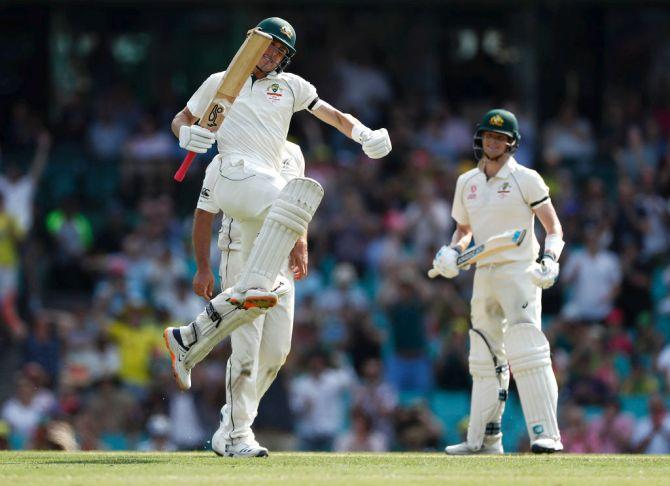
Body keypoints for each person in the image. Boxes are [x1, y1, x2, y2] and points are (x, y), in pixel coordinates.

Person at [164, 17, 391, 456]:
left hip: (273, 217)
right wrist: (184, 133)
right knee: (246, 343)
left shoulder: (290, 91)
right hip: (236, 185)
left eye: (276, 52)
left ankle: (204, 366)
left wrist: (364, 135)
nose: (269, 56)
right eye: (264, 47)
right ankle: (233, 435)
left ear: (284, 57)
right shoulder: (220, 81)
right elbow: (183, 119)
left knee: (274, 352)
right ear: (251, 44)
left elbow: (332, 114)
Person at [431, 109, 565, 454]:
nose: (492, 141)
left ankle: (545, 434)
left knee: (527, 349)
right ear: (480, 139)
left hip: (519, 272)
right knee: (483, 354)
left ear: (511, 143)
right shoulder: (467, 183)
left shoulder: (527, 179)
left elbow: (553, 228)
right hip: (484, 272)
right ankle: (484, 440)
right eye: (488, 136)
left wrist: (549, 260)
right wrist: (450, 251)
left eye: (500, 137)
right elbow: (464, 230)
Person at [209, 141, 306, 457]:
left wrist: (301, 241)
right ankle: (237, 433)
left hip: (279, 259)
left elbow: (298, 204)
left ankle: (231, 423)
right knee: (246, 351)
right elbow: (204, 211)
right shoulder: (233, 154)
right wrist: (200, 266)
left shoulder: (294, 153)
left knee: (277, 352)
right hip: (241, 254)